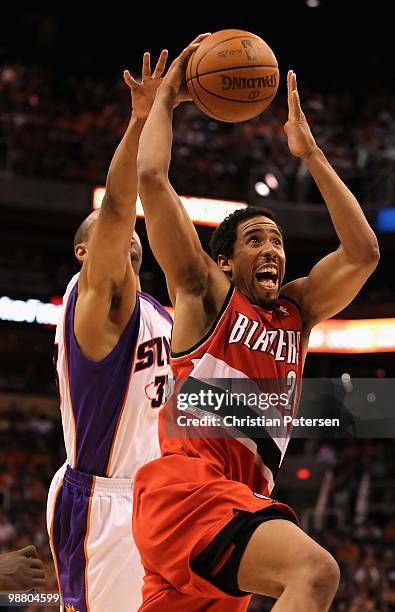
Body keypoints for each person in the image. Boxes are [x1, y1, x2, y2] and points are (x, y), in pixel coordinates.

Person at [133, 36, 380, 612]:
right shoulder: (204, 294)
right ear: (224, 260)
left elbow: (363, 252)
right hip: (188, 493)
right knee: (315, 573)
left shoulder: (299, 312)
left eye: (277, 239)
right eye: (254, 240)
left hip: (233, 502)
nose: (270, 249)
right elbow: (151, 179)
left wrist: (311, 154)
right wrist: (166, 100)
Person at [46, 51, 172, 612]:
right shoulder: (94, 301)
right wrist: (141, 120)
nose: (129, 235)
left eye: (132, 233)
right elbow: (121, 202)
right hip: (104, 503)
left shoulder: (163, 316)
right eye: (110, 235)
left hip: (159, 498)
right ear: (83, 252)